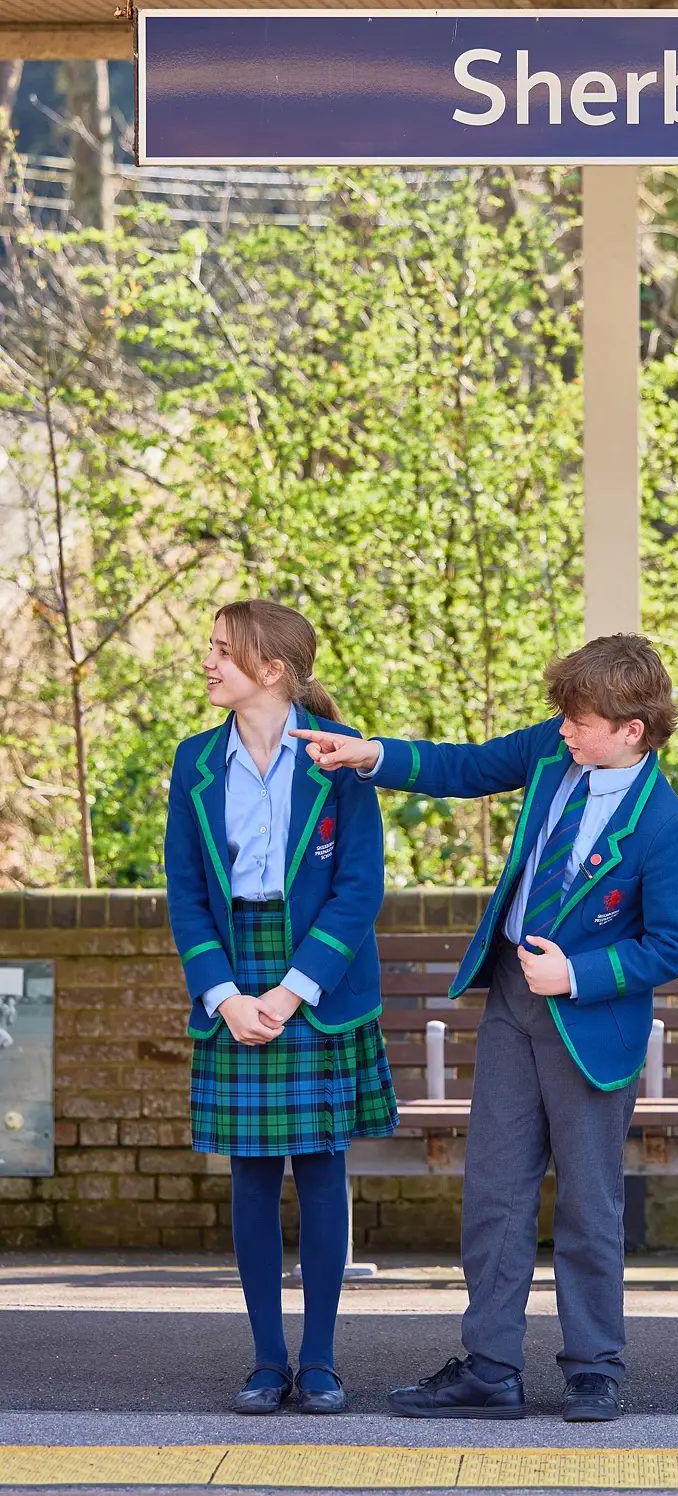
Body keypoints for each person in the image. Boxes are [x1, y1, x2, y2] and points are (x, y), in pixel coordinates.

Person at [294, 633, 678, 1423]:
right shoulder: (554, 751)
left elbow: (676, 944)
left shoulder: (662, 821)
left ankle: (595, 1369)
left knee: (589, 1203)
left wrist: (578, 974)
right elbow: (468, 767)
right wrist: (371, 753)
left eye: (581, 722)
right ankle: (490, 1367)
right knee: (494, 1191)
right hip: (513, 1000)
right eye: (564, 717)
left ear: (632, 730)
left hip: (590, 1022)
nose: (565, 731)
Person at [164, 600, 395, 1417]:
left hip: (315, 986)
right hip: (234, 978)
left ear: (272, 670)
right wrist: (225, 996)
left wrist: (292, 991)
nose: (208, 662)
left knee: (322, 1167)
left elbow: (358, 888)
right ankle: (267, 1362)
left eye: (224, 651)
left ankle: (321, 1361)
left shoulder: (338, 754)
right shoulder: (194, 763)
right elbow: (186, 893)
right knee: (252, 1175)